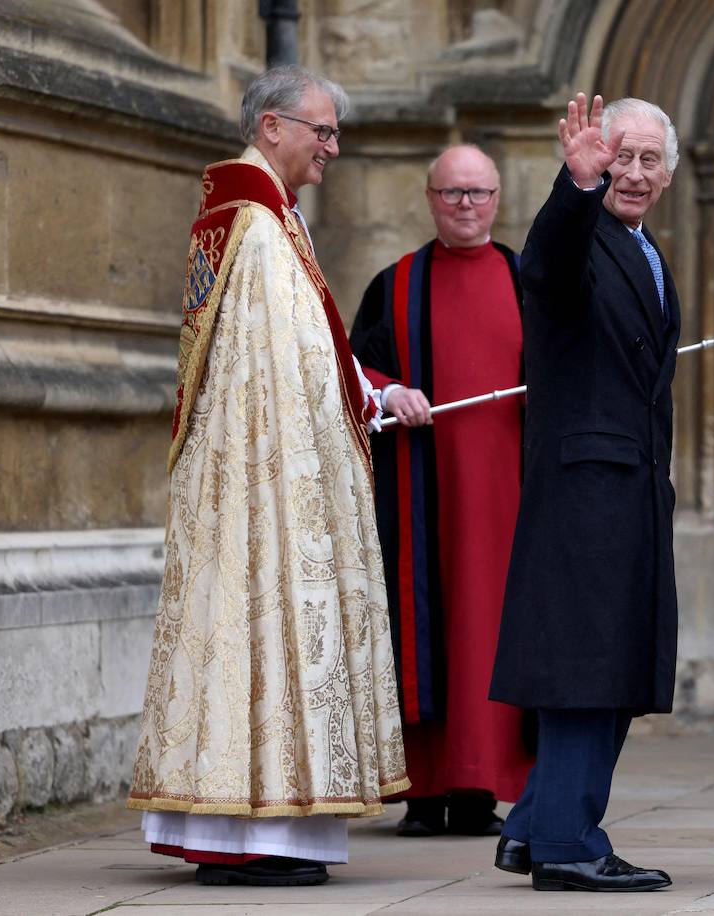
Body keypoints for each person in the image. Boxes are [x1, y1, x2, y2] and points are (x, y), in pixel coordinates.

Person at [127, 65, 409, 887]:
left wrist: (370, 392)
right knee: (261, 627)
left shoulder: (272, 215)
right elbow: (264, 372)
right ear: (273, 126)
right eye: (321, 131)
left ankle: (259, 832)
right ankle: (250, 836)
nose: (333, 148)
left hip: (279, 472)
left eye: (335, 133)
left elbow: (310, 348)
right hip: (265, 482)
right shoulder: (249, 219)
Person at [486, 93, 680, 893]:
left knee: (610, 661)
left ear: (669, 173)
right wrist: (573, 188)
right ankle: (568, 842)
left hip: (627, 489)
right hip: (587, 492)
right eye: (619, 157)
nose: (631, 174)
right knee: (586, 667)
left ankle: (534, 826)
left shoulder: (643, 245)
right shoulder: (583, 234)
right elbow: (547, 266)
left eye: (647, 160)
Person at [349, 144, 533, 839]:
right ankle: (423, 792)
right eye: (452, 193)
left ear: (497, 199)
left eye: (478, 192)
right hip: (419, 497)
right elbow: (351, 368)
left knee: (492, 631)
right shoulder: (394, 286)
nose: (465, 205)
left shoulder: (530, 280)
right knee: (422, 626)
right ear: (429, 198)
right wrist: (392, 390)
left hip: (509, 499)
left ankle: (481, 790)